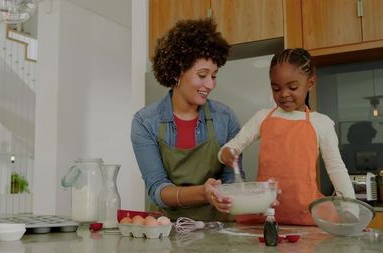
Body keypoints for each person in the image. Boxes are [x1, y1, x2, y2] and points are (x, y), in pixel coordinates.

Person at [219, 48, 355, 225]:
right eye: (276, 88)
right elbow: (231, 147)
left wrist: (351, 211)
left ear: (310, 83)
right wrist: (227, 153)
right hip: (265, 215)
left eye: (293, 87)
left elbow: (336, 168)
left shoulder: (321, 123)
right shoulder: (262, 117)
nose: (283, 94)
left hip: (306, 214)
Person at [130, 19, 242, 221]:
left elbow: (233, 178)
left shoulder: (226, 118)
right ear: (176, 73)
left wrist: (254, 199)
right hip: (166, 231)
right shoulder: (145, 122)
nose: (210, 84)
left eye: (214, 75)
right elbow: (157, 187)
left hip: (218, 230)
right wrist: (203, 192)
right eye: (202, 75)